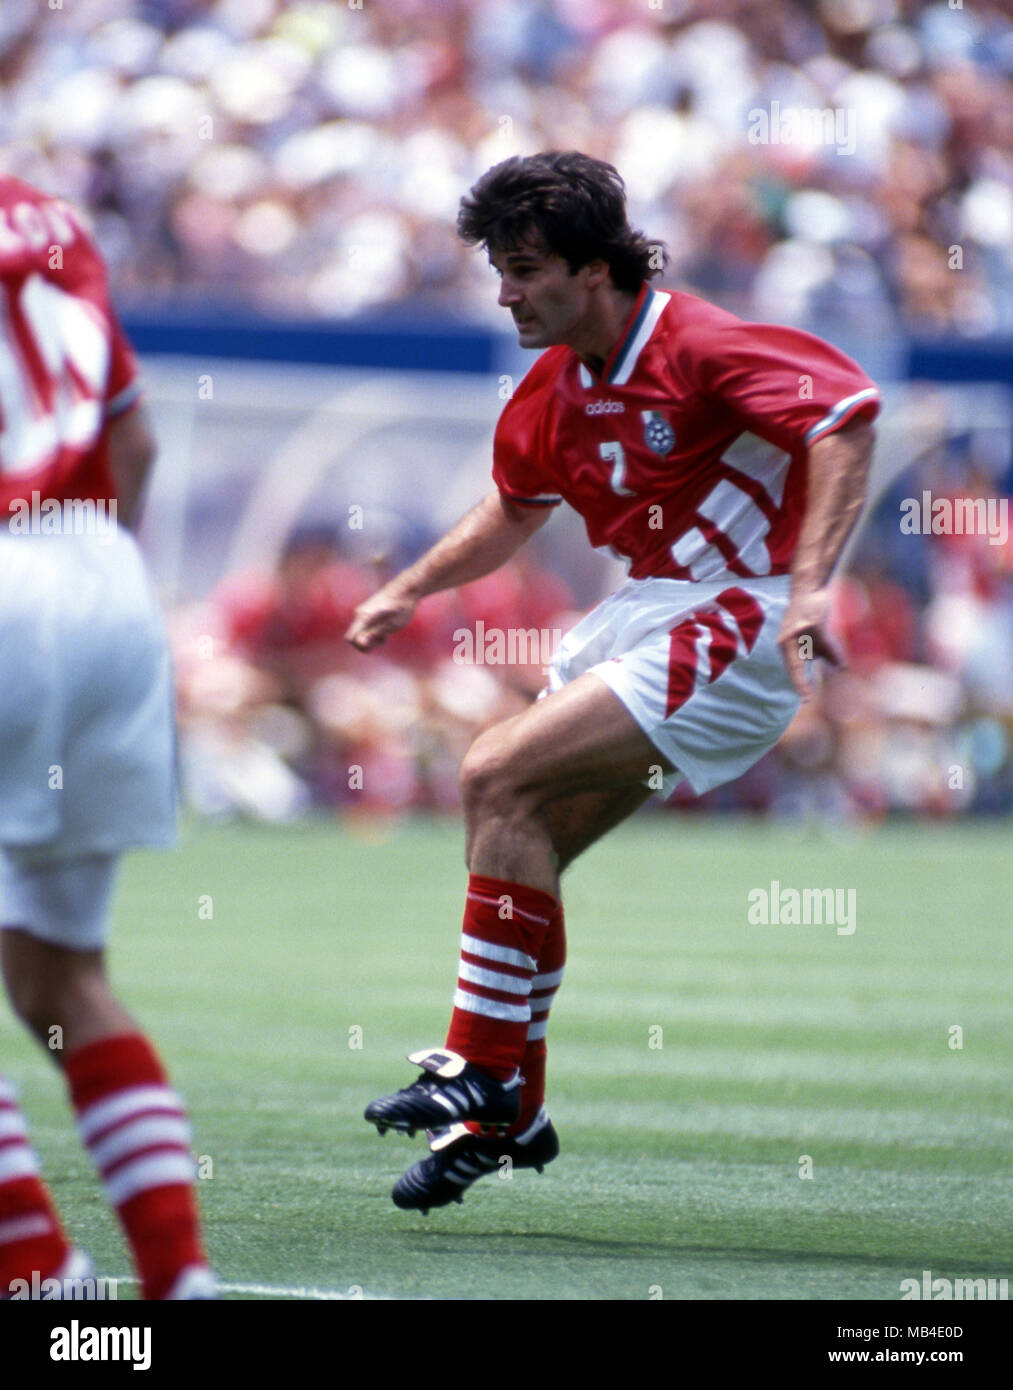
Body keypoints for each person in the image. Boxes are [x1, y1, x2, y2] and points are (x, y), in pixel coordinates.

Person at [346, 151, 879, 1214]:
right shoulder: (554, 388)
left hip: (740, 611)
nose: (504, 291)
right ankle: (512, 1114)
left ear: (596, 269)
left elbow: (845, 414)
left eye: (524, 267)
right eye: (498, 268)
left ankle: (481, 1062)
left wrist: (813, 585)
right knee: (518, 830)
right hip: (651, 613)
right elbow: (513, 506)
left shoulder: (699, 343)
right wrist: (409, 586)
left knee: (493, 769)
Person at [0, 175, 215, 1299]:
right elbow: (133, 448)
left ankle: (40, 1273)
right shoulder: (49, 216)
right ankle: (180, 1285)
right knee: (58, 974)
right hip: (101, 576)